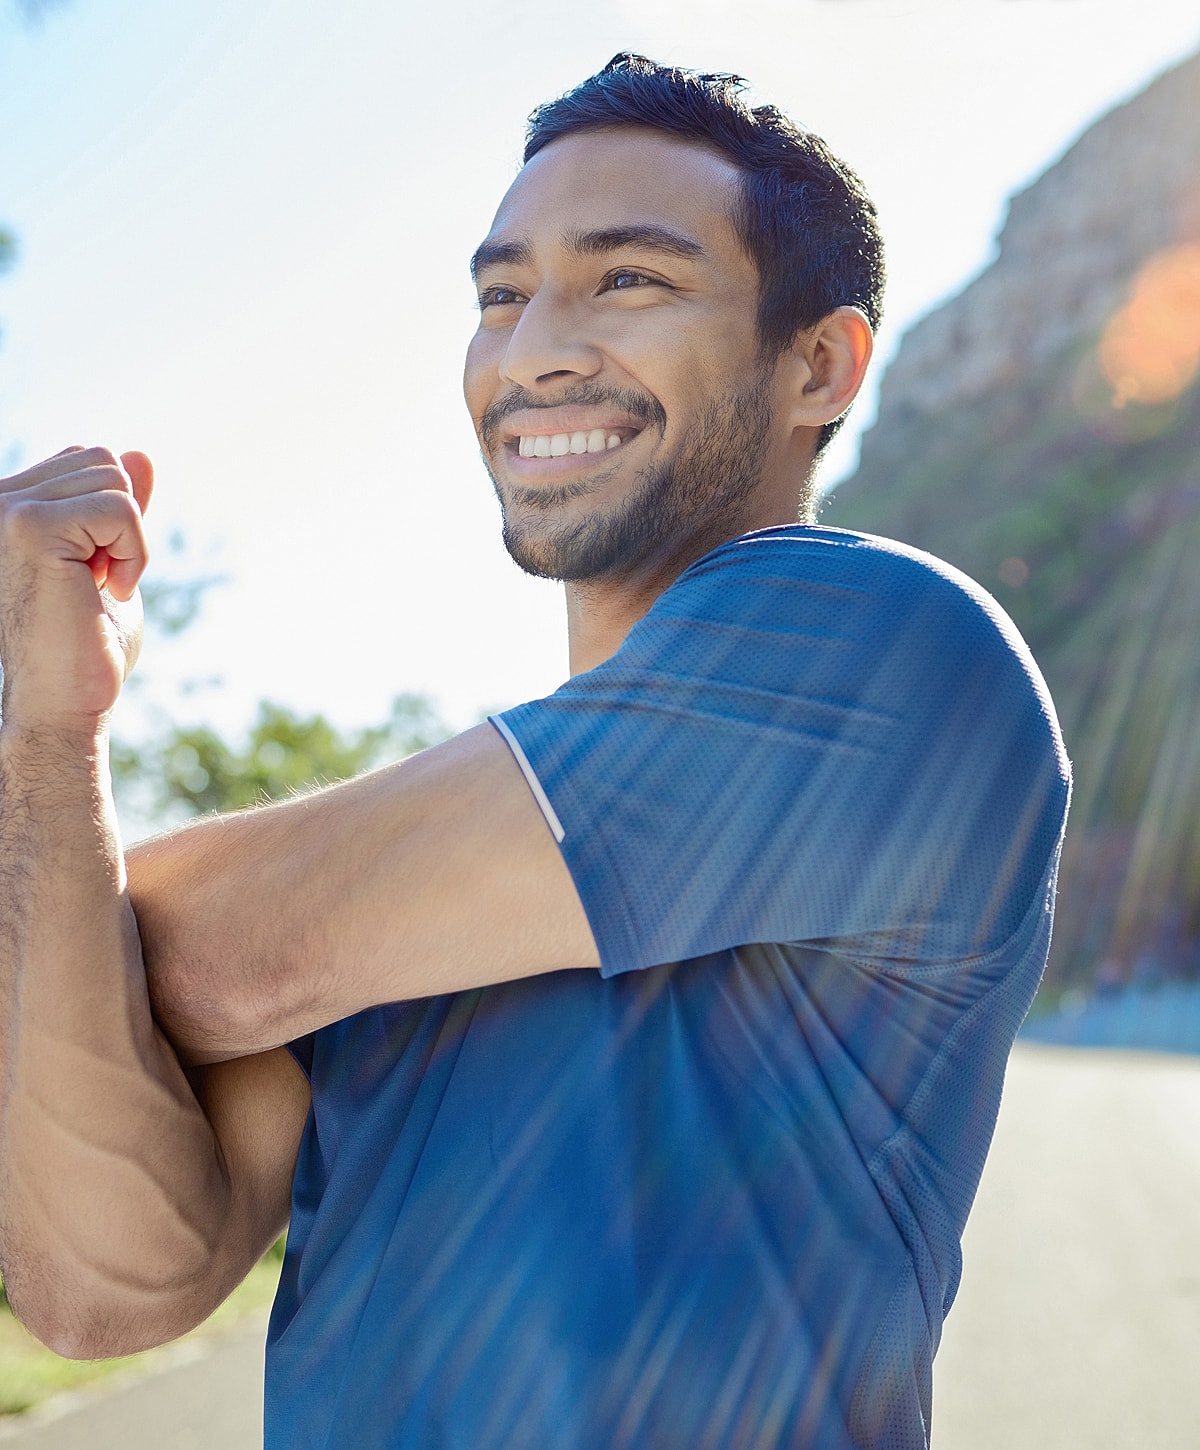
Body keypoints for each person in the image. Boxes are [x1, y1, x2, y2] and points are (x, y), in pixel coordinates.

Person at [0, 54, 1069, 1450]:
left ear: (818, 364)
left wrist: (77, 921)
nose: (533, 352)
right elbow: (99, 1286)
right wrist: (46, 731)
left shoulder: (881, 643)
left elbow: (200, 960)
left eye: (630, 278)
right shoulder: (416, 875)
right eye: (501, 295)